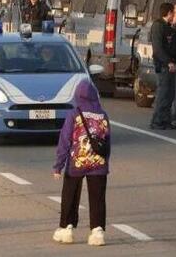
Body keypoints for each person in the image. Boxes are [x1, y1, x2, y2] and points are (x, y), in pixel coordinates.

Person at [53, 80, 110, 246]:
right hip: (99, 164)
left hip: (76, 163)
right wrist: (105, 163)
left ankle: (66, 229)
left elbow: (65, 141)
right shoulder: (103, 115)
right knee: (98, 197)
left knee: (70, 195)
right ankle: (97, 231)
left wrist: (58, 165)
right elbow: (107, 142)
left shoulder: (74, 114)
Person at [150, 2, 176, 130]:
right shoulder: (158, 26)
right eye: (173, 13)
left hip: (171, 65)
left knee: (170, 94)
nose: (175, 15)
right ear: (169, 13)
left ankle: (166, 119)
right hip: (163, 65)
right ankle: (157, 120)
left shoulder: (169, 27)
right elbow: (158, 48)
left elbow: (174, 46)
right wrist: (168, 62)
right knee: (163, 93)